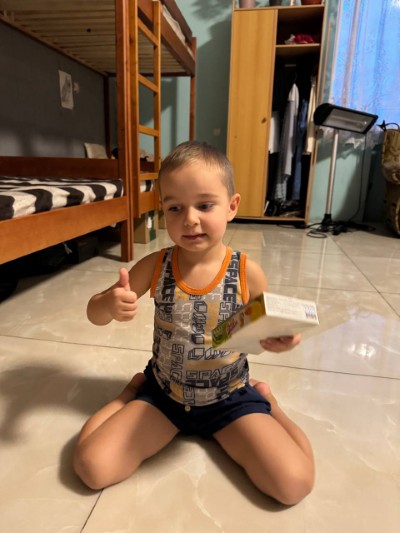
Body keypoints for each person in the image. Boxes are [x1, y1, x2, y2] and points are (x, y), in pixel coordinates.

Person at [73, 141, 315, 505]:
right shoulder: (155, 265)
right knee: (91, 467)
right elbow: (94, 313)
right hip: (164, 396)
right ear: (163, 210)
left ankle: (270, 403)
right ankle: (129, 391)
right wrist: (109, 304)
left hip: (229, 398)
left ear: (231, 206)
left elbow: (266, 327)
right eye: (175, 207)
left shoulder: (247, 272)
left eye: (204, 205)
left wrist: (281, 337)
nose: (189, 219)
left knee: (294, 484)